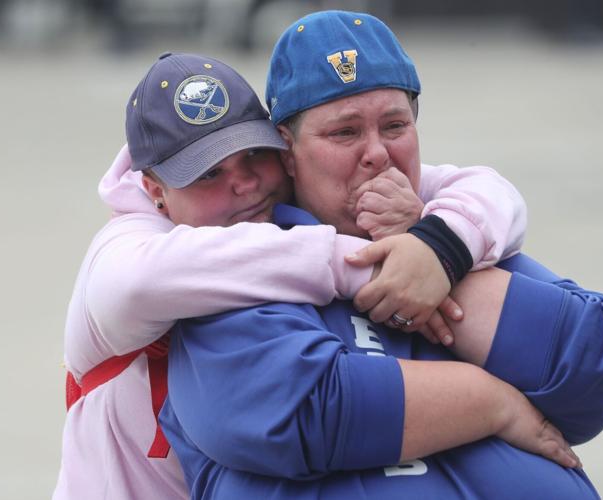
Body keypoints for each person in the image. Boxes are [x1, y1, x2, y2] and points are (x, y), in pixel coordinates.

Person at [159, 10, 603, 499]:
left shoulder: (457, 235)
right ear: (287, 151)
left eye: (394, 126)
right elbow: (300, 414)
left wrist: (436, 256)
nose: (378, 154)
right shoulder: (239, 262)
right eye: (344, 133)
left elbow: (593, 366)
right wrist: (493, 402)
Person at [53, 50, 530, 499]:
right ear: (154, 189)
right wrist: (378, 269)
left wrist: (435, 241)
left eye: (253, 155)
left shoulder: (278, 201)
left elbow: (486, 189)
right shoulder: (124, 246)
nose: (244, 184)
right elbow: (135, 285)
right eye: (207, 175)